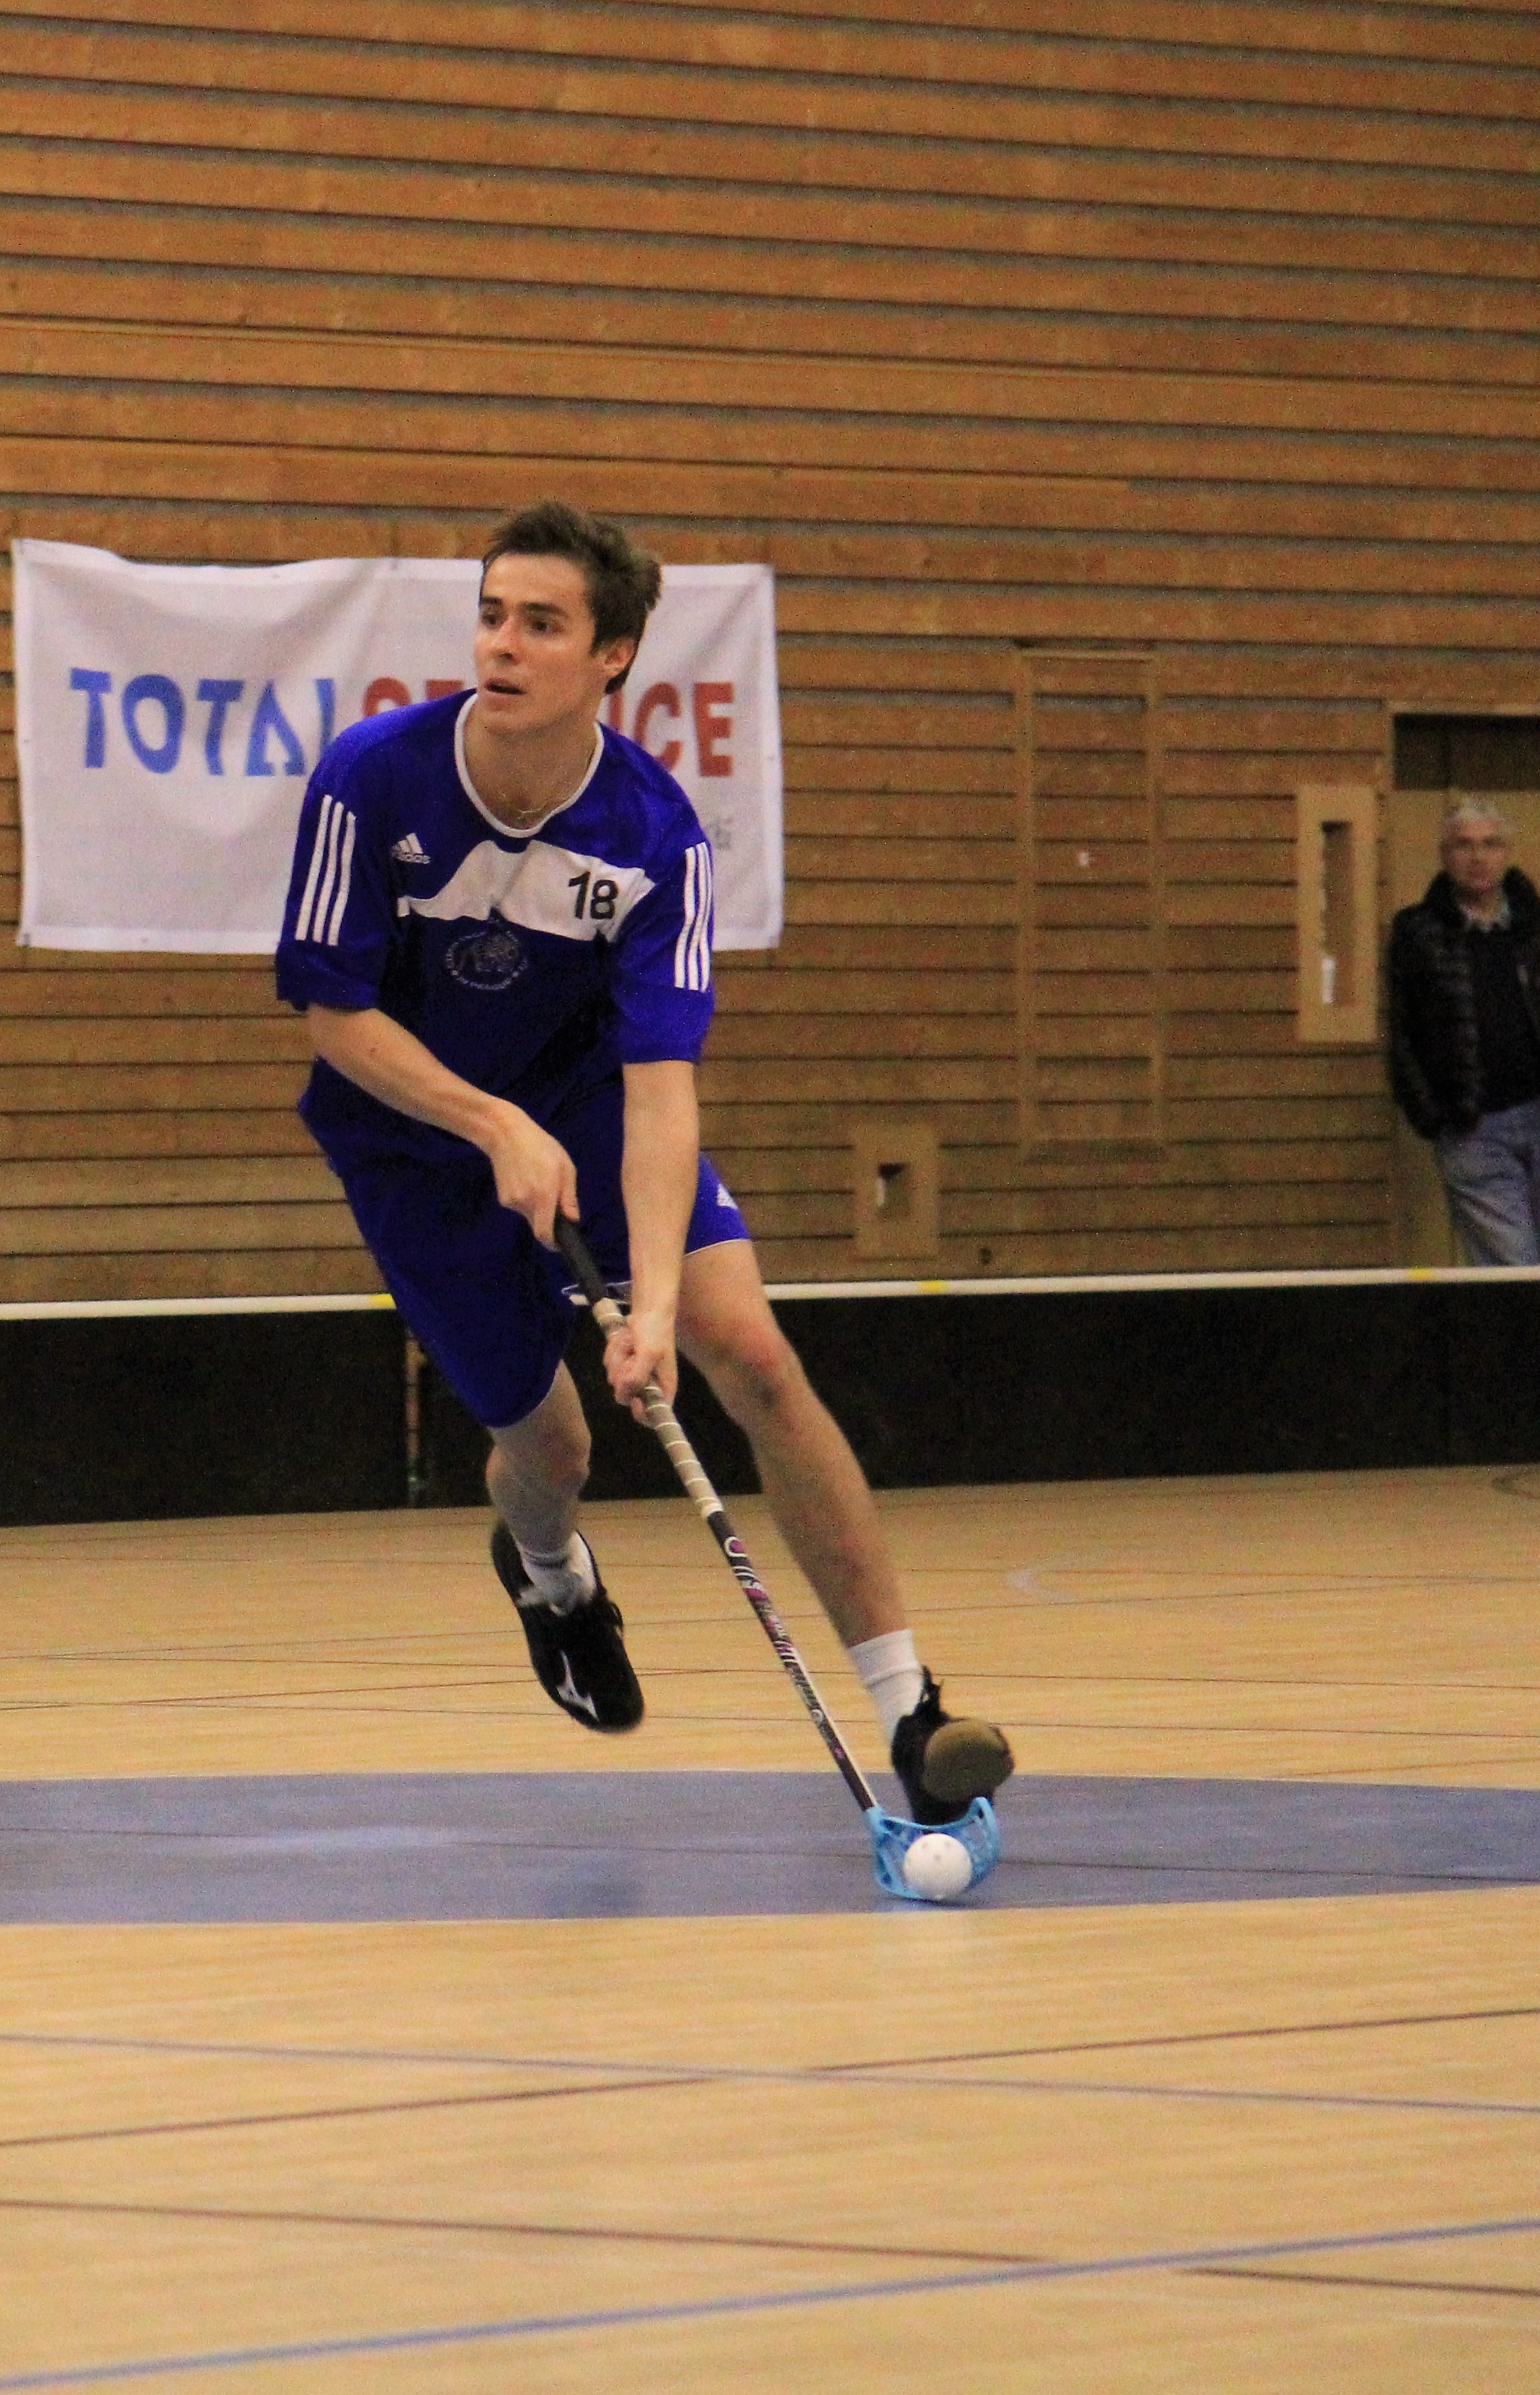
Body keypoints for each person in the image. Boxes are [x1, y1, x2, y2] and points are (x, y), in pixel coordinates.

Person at [275, 500, 1011, 1826]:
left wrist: (656, 1307)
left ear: (610, 655)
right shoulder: (370, 778)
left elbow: (661, 1086)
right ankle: (551, 1574)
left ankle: (911, 1710)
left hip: (593, 1114)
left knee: (753, 1353)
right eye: (490, 615)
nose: (500, 645)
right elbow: (333, 1016)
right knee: (549, 1445)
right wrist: (490, 1124)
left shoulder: (655, 836)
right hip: (410, 1143)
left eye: (539, 624)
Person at [1384, 801, 1540, 1268]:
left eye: (1490, 844)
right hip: (1473, 1127)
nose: (1477, 857)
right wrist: (1432, 1115)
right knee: (1512, 1265)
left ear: (1507, 853)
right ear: (1444, 855)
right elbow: (1400, 1032)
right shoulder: (1418, 933)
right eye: (1463, 845)